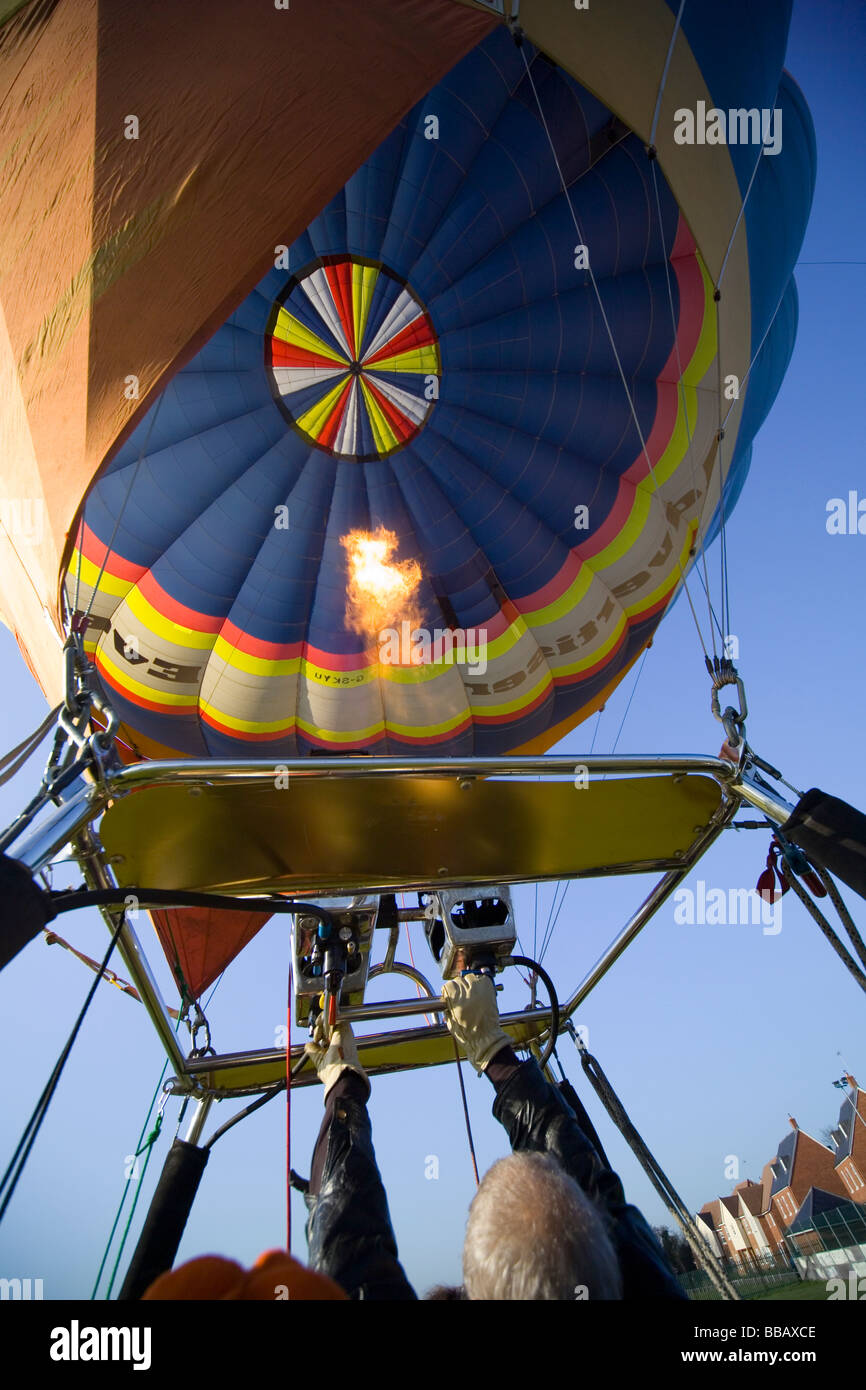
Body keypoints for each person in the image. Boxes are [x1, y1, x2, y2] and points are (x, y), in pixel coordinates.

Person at [301, 972, 686, 1300]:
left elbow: (346, 1256)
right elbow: (345, 1258)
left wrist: (342, 1089)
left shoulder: (638, 1271)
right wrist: (493, 1048)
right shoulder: (644, 1281)